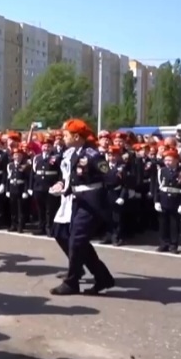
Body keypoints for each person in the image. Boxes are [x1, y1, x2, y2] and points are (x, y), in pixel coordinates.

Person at [49, 119, 116, 296]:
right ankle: (103, 277)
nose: (63, 138)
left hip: (91, 203)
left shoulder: (92, 155)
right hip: (77, 200)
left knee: (76, 240)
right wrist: (62, 187)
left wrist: (101, 195)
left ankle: (72, 282)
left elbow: (111, 177)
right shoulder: (73, 154)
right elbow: (73, 179)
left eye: (66, 135)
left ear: (76, 136)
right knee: (77, 241)